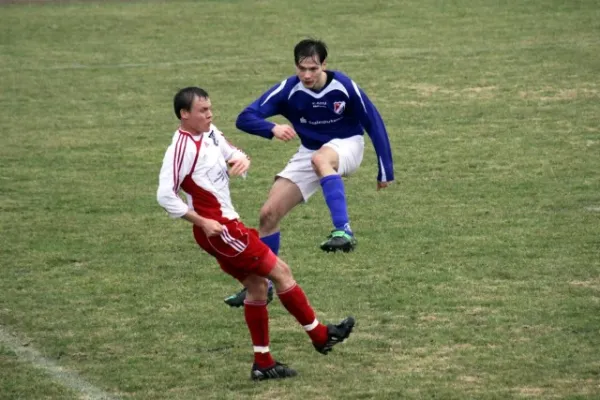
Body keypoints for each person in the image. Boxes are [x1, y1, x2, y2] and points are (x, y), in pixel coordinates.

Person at [156, 86, 355, 381]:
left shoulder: (209, 133)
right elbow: (165, 195)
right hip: (221, 230)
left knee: (257, 287)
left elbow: (233, 151)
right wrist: (201, 222)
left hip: (224, 228)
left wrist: (241, 160)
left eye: (210, 108)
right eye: (202, 111)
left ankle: (263, 363)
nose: (210, 114)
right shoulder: (181, 148)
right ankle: (321, 336)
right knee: (282, 273)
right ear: (184, 115)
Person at [223, 38, 394, 307]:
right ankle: (262, 284)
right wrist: (271, 128)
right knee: (268, 214)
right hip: (310, 152)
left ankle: (343, 231)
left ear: (324, 64)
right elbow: (244, 117)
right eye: (302, 68)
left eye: (313, 68)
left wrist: (385, 171)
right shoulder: (289, 89)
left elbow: (373, 122)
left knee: (320, 159)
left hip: (347, 144)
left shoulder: (344, 86)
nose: (307, 75)